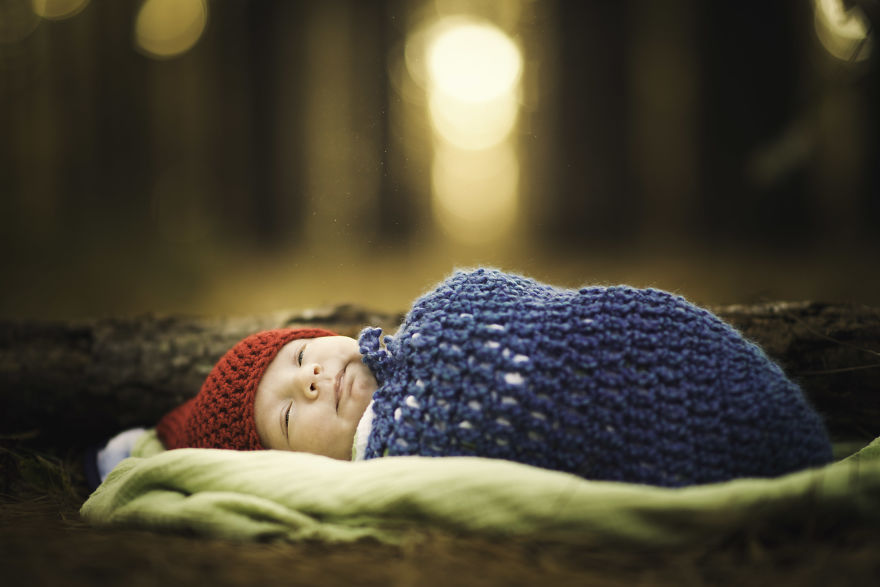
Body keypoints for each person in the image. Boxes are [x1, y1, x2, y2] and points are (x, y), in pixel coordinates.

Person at [148, 268, 834, 488]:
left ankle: (748, 407)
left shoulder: (441, 312)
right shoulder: (384, 464)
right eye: (290, 416)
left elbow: (539, 309)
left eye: (300, 357)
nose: (312, 381)